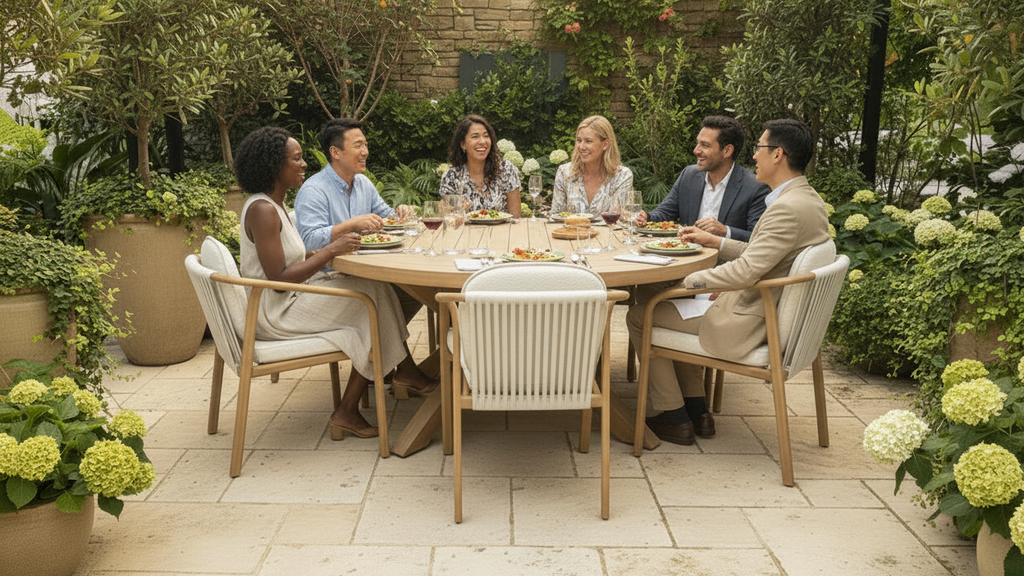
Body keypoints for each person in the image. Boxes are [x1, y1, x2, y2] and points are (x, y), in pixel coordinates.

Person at [626, 118, 829, 446]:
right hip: (764, 308)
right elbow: (760, 254)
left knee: (641, 314)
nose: (754, 157)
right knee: (666, 300)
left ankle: (673, 416)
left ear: (778, 154)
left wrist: (693, 281)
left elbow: (745, 271)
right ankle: (696, 408)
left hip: (749, 318)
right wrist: (716, 243)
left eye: (761, 149)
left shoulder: (786, 210)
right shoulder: (807, 200)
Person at [234, 127, 437, 441]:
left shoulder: (272, 204)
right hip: (275, 313)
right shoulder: (263, 210)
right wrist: (330, 250)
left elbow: (288, 261)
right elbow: (278, 280)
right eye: (296, 159)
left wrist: (320, 252)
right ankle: (364, 398)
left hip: (288, 299)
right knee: (368, 303)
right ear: (275, 165)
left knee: (375, 292)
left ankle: (383, 385)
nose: (304, 165)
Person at [294, 118, 423, 325]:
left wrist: (400, 214)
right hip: (330, 278)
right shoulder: (314, 190)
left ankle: (378, 347)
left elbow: (386, 219)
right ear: (335, 153)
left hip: (366, 270)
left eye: (365, 145)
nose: (365, 152)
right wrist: (350, 225)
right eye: (358, 146)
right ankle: (380, 347)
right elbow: (307, 242)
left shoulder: (363, 183)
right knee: (395, 296)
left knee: (419, 290)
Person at [635, 116, 769, 242]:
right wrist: (647, 217)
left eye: (705, 145)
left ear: (727, 151)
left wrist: (724, 231)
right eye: (698, 143)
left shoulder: (755, 187)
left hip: (724, 263)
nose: (696, 150)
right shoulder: (689, 175)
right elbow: (666, 212)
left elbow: (757, 238)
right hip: (685, 256)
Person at [439, 114, 521, 217]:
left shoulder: (506, 169)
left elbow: (516, 219)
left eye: (486, 136)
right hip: (464, 232)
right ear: (463, 144)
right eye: (475, 137)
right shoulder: (451, 177)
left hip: (502, 232)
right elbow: (450, 220)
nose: (482, 141)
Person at [550, 115, 633, 215]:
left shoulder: (622, 176)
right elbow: (556, 216)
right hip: (570, 230)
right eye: (579, 140)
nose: (581, 147)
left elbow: (620, 218)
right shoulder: (564, 173)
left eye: (588, 141)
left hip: (609, 231)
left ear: (605, 144)